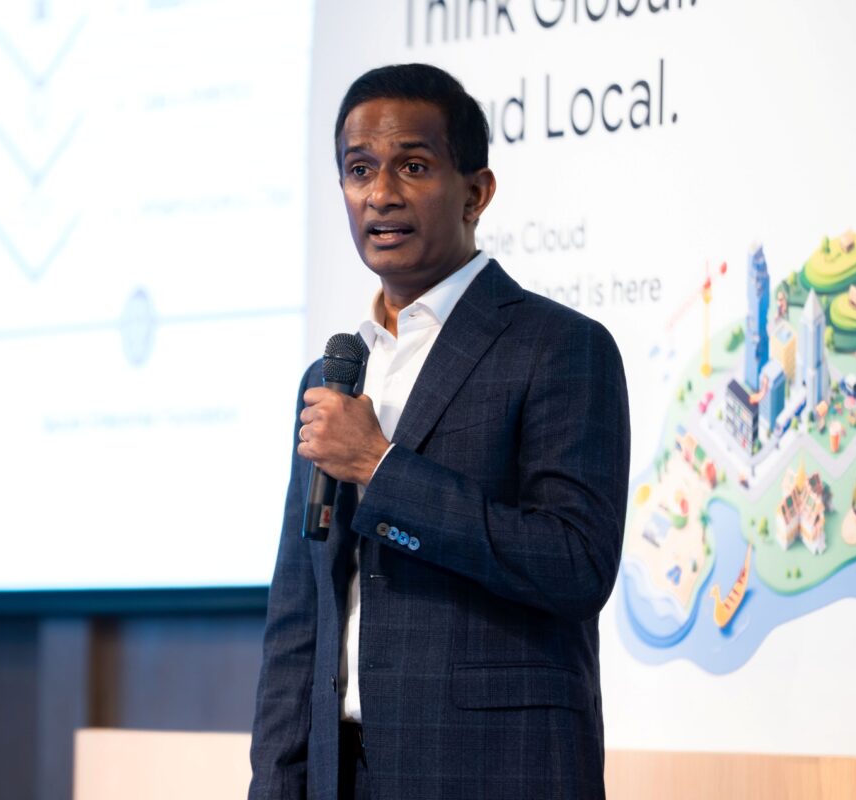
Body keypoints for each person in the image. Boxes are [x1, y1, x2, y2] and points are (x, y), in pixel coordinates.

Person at [248, 63, 630, 800]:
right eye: (359, 169)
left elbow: (575, 564)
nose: (381, 194)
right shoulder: (333, 377)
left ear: (476, 193)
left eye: (413, 166)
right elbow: (299, 617)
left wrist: (380, 468)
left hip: (495, 771)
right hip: (338, 773)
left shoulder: (560, 347)